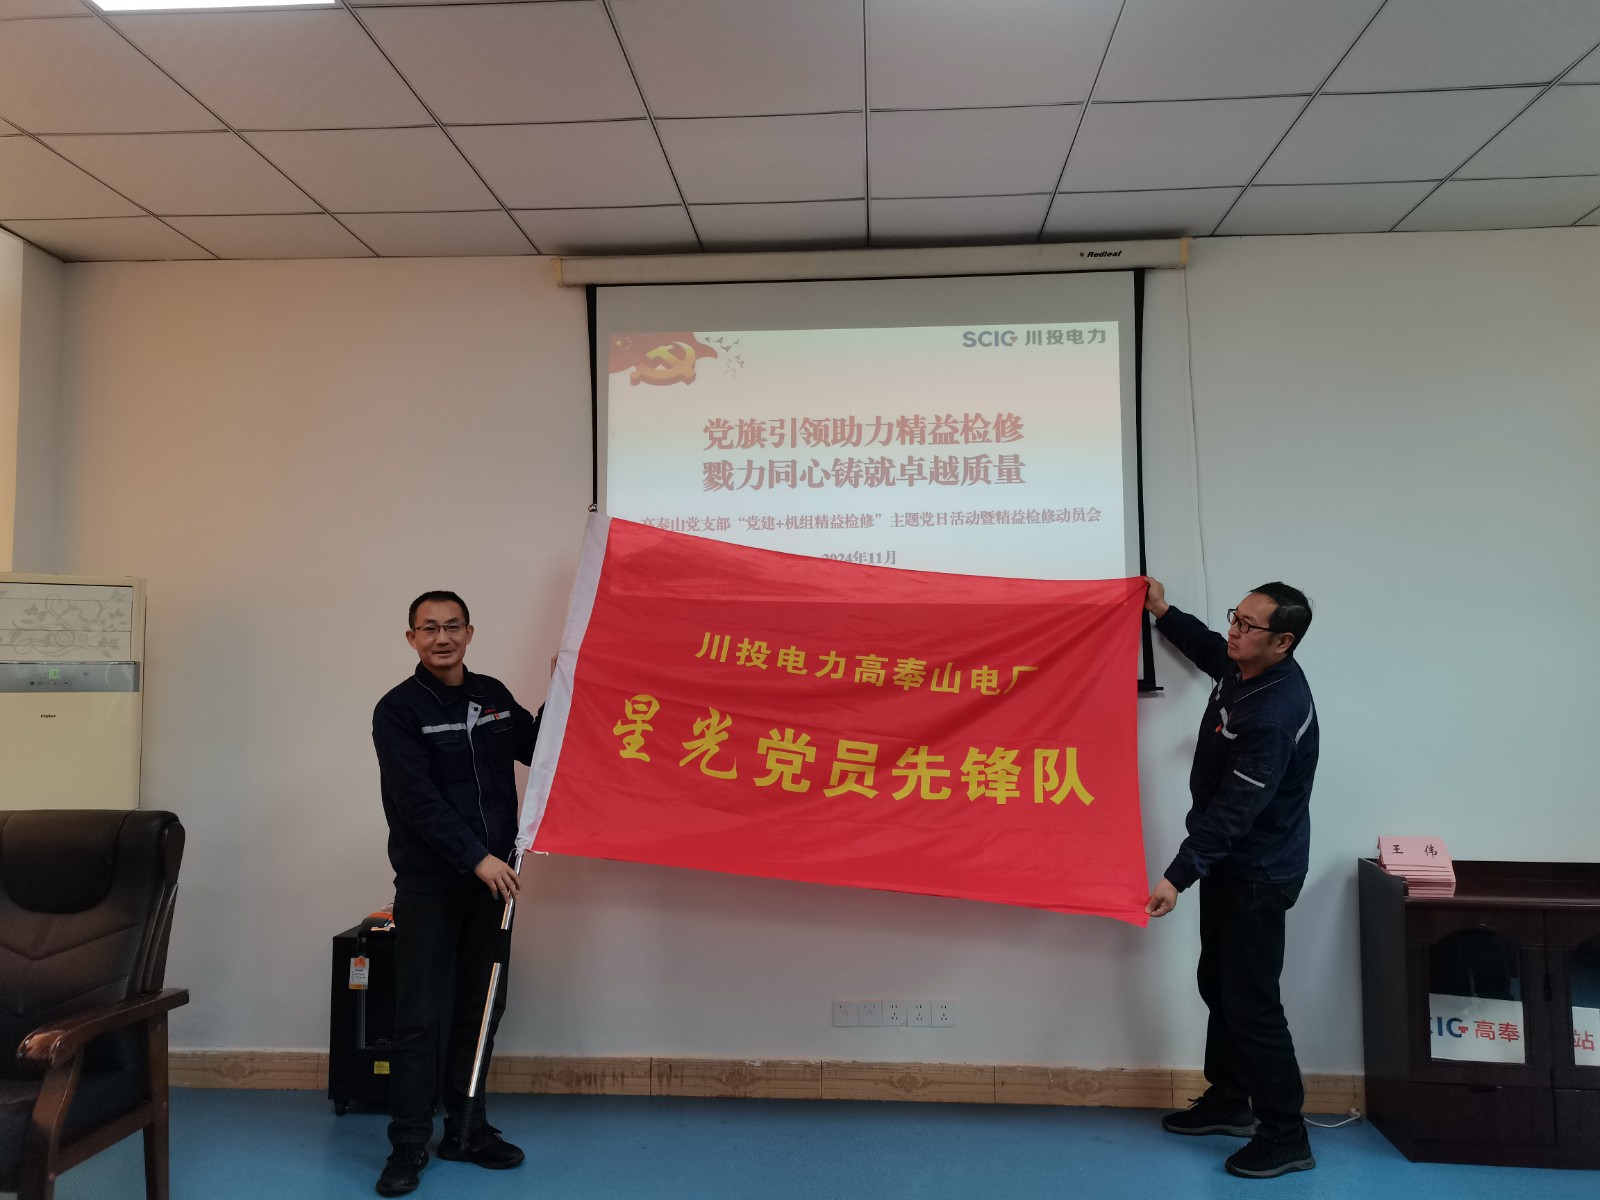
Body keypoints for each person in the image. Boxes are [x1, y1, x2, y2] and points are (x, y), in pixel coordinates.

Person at [1142, 578, 1319, 1180]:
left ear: (1283, 641)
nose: (1233, 632)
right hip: (1231, 865)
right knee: (1219, 985)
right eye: (1235, 618)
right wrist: (1163, 611)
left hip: (1258, 874)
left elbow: (1234, 814)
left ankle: (1286, 1135)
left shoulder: (1273, 712)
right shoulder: (1246, 668)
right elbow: (1208, 649)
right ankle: (1229, 1100)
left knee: (1253, 1006)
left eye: (1247, 625)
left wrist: (1176, 876)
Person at [371, 591, 541, 1197]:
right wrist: (476, 858)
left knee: (481, 1008)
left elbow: (538, 748)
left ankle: (466, 1131)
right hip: (433, 883)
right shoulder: (397, 710)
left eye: (452, 626)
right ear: (411, 638)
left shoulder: (492, 696)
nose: (441, 637)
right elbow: (416, 800)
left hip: (495, 884)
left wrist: (567, 687)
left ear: (469, 632)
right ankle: (408, 1143)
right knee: (419, 1018)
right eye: (429, 628)